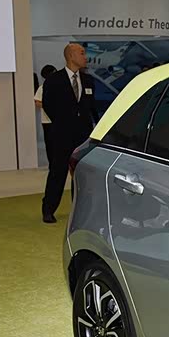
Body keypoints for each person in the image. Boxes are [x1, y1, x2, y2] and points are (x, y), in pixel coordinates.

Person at [41, 44, 97, 224]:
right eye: (82, 53)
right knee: (58, 172)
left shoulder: (88, 80)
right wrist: (62, 122)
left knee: (81, 174)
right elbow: (47, 104)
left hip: (83, 136)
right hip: (61, 135)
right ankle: (48, 209)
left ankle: (79, 210)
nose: (85, 57)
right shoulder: (54, 80)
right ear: (71, 56)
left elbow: (92, 107)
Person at [34, 64, 58, 164]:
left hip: (60, 121)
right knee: (50, 144)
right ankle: (51, 164)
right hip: (47, 121)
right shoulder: (42, 88)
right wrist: (50, 105)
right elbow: (37, 102)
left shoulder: (61, 87)